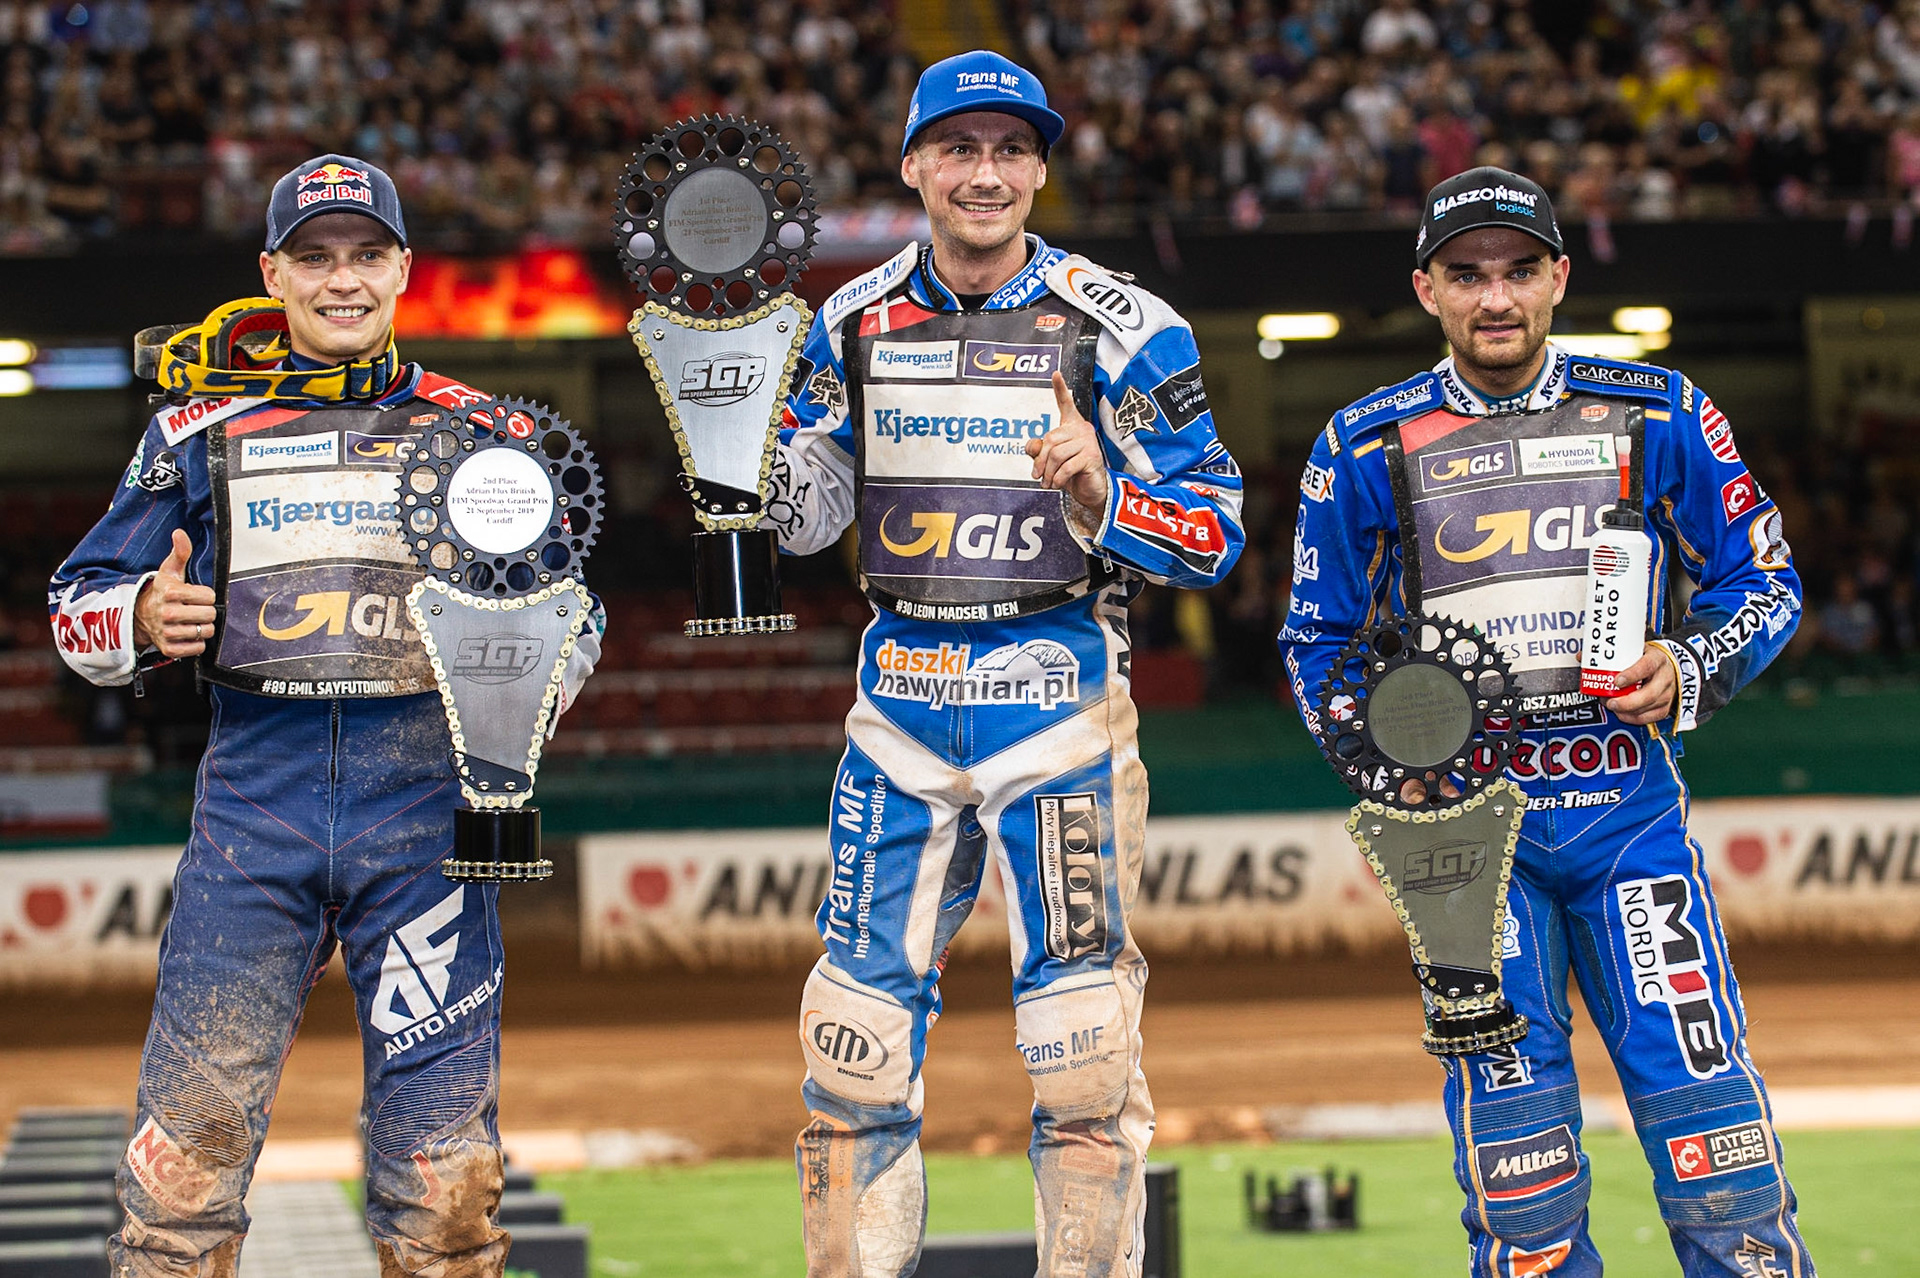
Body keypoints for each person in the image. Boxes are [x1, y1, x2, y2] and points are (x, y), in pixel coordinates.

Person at [48, 154, 601, 1277]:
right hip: (256, 811)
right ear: (274, 273)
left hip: (427, 821)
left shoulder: (482, 429)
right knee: (180, 1182)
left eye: (363, 255)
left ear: (402, 268)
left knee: (445, 1190)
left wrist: (520, 689)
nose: (340, 280)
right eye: (314, 258)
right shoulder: (195, 430)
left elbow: (571, 614)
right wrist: (144, 612)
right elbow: (72, 606)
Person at [1282, 166, 1814, 1276]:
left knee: (1718, 1137)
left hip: (1631, 823)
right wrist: (1385, 757)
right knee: (1517, 1169)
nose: (1496, 299)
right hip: (1471, 853)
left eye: (1520, 271)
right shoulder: (1363, 444)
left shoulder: (1659, 410)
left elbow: (1765, 582)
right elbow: (1314, 646)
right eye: (1467, 275)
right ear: (1425, 287)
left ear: (1559, 278)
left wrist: (1690, 659)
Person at [767, 49, 1246, 1278]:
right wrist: (751, 469)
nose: (987, 174)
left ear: (1040, 170)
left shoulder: (1129, 328)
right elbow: (808, 516)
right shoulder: (847, 320)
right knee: (851, 1042)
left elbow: (1218, 533)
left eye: (1012, 151)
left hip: (1061, 711)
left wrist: (1109, 491)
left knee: (1086, 1049)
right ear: (915, 163)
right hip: (901, 712)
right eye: (961, 149)